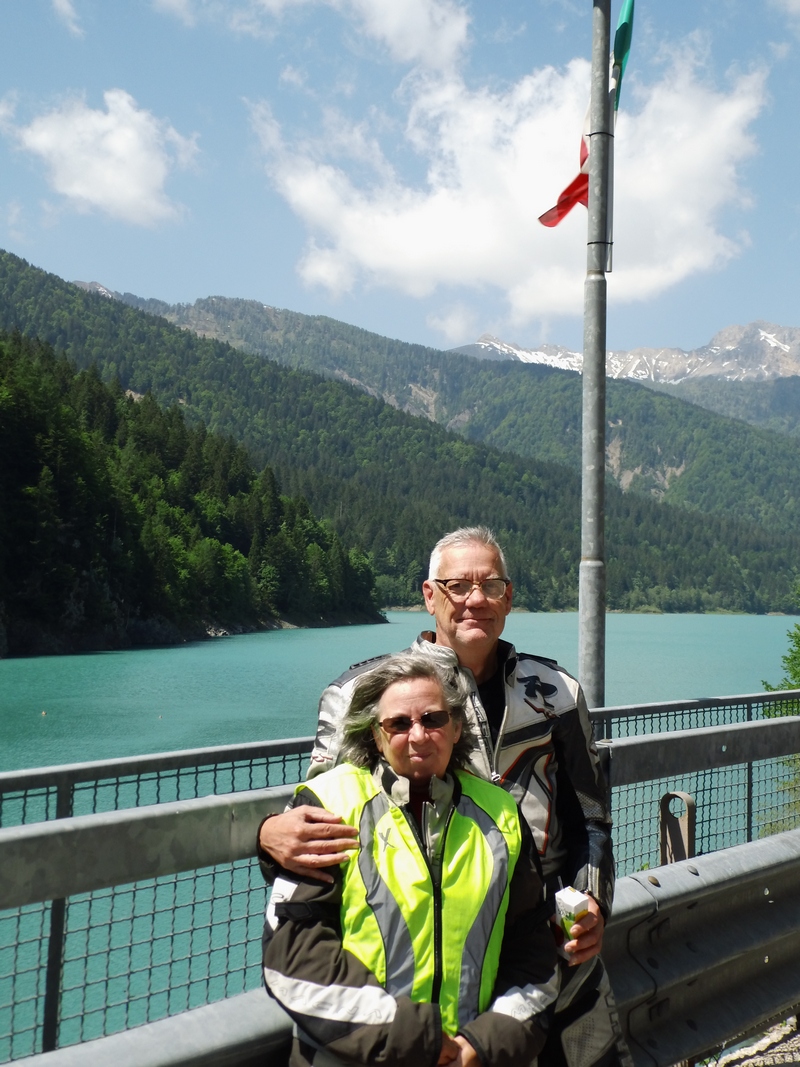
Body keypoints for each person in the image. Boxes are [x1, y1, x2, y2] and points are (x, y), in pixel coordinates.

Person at [258, 526, 631, 1067]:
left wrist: (592, 901)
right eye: (458, 586)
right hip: (406, 993)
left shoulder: (556, 692)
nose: (475, 599)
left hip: (547, 958)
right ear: (429, 596)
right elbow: (320, 819)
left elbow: (591, 818)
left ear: (509, 597)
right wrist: (266, 835)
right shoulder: (362, 692)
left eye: (491, 585)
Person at [262, 654, 559, 1067]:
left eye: (433, 719)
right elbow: (294, 959)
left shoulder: (501, 813)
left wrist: (483, 1044)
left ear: (457, 728)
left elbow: (534, 953)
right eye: (399, 724)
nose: (418, 735)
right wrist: (420, 1040)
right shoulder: (330, 806)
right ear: (376, 736)